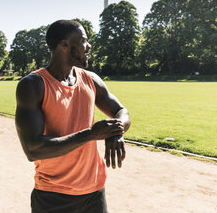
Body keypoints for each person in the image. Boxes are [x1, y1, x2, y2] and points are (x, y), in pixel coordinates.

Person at [15, 20, 131, 213]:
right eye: (84, 41)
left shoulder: (91, 79)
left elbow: (122, 111)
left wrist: (116, 131)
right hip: (53, 196)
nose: (89, 46)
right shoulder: (33, 85)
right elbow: (33, 149)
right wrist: (92, 134)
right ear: (64, 45)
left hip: (94, 191)